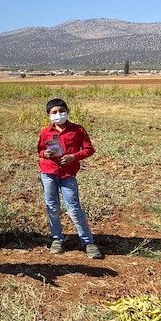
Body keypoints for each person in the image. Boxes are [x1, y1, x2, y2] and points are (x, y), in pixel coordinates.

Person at [37, 99, 101, 259]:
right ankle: (57, 238)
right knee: (52, 207)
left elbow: (89, 149)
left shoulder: (78, 130)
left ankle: (88, 242)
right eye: (54, 112)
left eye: (61, 111)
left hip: (68, 175)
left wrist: (74, 157)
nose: (58, 114)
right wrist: (44, 154)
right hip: (48, 173)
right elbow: (40, 149)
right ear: (48, 115)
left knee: (74, 208)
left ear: (68, 111)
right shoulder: (46, 132)